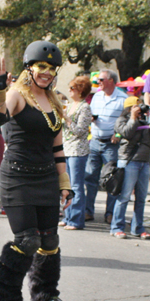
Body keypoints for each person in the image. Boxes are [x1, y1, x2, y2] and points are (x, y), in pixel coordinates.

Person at [0, 41, 72, 301]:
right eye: (41, 66)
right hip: (18, 178)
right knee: (27, 241)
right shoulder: (17, 94)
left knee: (49, 241)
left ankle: (45, 294)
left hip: (46, 177)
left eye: (52, 68)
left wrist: (64, 183)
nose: (46, 72)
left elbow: (57, 148)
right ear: (30, 67)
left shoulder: (54, 102)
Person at [111, 102, 150, 239]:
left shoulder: (145, 120)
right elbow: (127, 133)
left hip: (144, 162)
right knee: (124, 196)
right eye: (135, 106)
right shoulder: (121, 120)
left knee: (141, 197)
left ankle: (138, 228)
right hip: (129, 161)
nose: (139, 109)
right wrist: (133, 118)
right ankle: (117, 227)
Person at [85, 68, 126, 223]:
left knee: (112, 179)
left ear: (111, 80)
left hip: (111, 144)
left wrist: (118, 134)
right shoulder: (97, 96)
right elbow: (91, 113)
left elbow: (127, 120)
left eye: (101, 79)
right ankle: (88, 211)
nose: (98, 82)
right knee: (90, 177)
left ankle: (110, 214)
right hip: (95, 141)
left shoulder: (122, 98)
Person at [60, 75, 93, 230]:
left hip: (77, 150)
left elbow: (80, 130)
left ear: (80, 90)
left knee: (76, 186)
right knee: (66, 185)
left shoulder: (84, 107)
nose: (69, 90)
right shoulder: (70, 105)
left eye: (72, 88)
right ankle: (67, 216)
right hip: (66, 148)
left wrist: (67, 119)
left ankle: (76, 220)